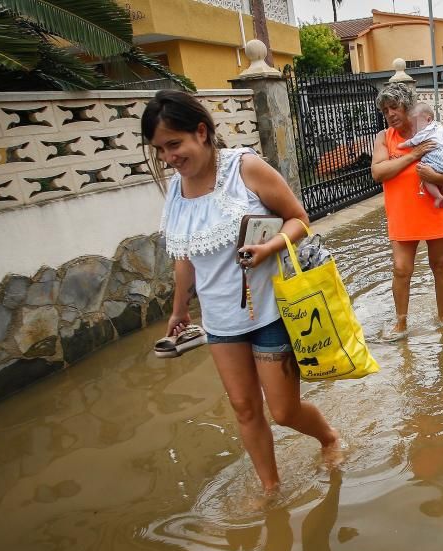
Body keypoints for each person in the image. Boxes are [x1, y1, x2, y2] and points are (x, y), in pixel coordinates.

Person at [142, 90, 341, 493]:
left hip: (268, 312)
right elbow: (185, 255)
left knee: (283, 411)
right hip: (220, 321)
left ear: (201, 132)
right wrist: (180, 311)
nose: (168, 158)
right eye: (160, 149)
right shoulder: (177, 192)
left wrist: (269, 247)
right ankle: (270, 487)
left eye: (174, 144)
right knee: (245, 409)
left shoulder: (245, 169)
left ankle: (330, 439)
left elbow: (298, 219)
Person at [371, 83, 443, 342]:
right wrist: (415, 155)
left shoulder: (434, 132)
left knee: (441, 266)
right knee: (401, 269)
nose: (389, 114)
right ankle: (401, 324)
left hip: (435, 211)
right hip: (402, 214)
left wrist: (433, 175)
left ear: (409, 107)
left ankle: (442, 317)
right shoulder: (384, 138)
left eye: (394, 107)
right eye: (385, 110)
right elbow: (378, 172)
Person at [397, 102, 443, 208]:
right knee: (440, 179)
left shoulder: (424, 132)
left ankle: (438, 196)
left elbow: (413, 141)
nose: (414, 129)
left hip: (435, 157)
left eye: (415, 125)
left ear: (428, 120)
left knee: (425, 176)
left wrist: (402, 145)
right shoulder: (439, 127)